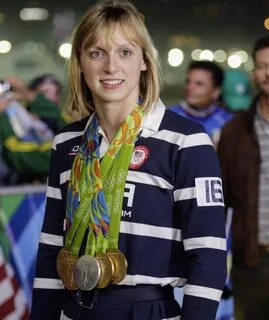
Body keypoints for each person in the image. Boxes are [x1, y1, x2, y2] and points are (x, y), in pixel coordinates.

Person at [31, 1, 227, 319]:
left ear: (145, 61)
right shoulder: (66, 143)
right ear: (80, 62)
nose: (111, 67)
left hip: (147, 310)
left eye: (125, 52)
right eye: (96, 53)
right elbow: (51, 249)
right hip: (73, 310)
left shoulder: (185, 141)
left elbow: (209, 257)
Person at [218, 34, 269, 319]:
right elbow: (220, 199)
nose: (268, 73)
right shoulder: (234, 132)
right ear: (254, 74)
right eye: (262, 66)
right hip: (251, 260)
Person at [169, 61, 233, 148]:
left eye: (199, 84)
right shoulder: (169, 117)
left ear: (216, 91)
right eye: (188, 81)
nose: (189, 87)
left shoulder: (228, 122)